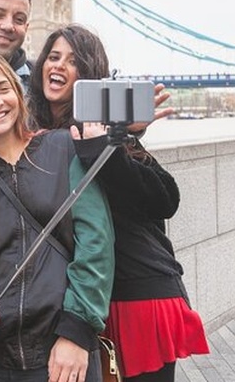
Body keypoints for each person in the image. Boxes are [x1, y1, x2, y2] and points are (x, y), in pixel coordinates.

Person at [29, 25, 210, 381]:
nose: (59, 66)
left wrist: (116, 142)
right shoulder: (34, 132)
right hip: (85, 298)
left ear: (91, 75)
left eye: (74, 61)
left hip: (136, 293)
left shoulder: (104, 132)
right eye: (53, 57)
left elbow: (164, 200)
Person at [0, 49, 115, 382]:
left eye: (4, 88)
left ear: (19, 94)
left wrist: (76, 331)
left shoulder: (64, 148)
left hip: (64, 350)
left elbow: (96, 243)